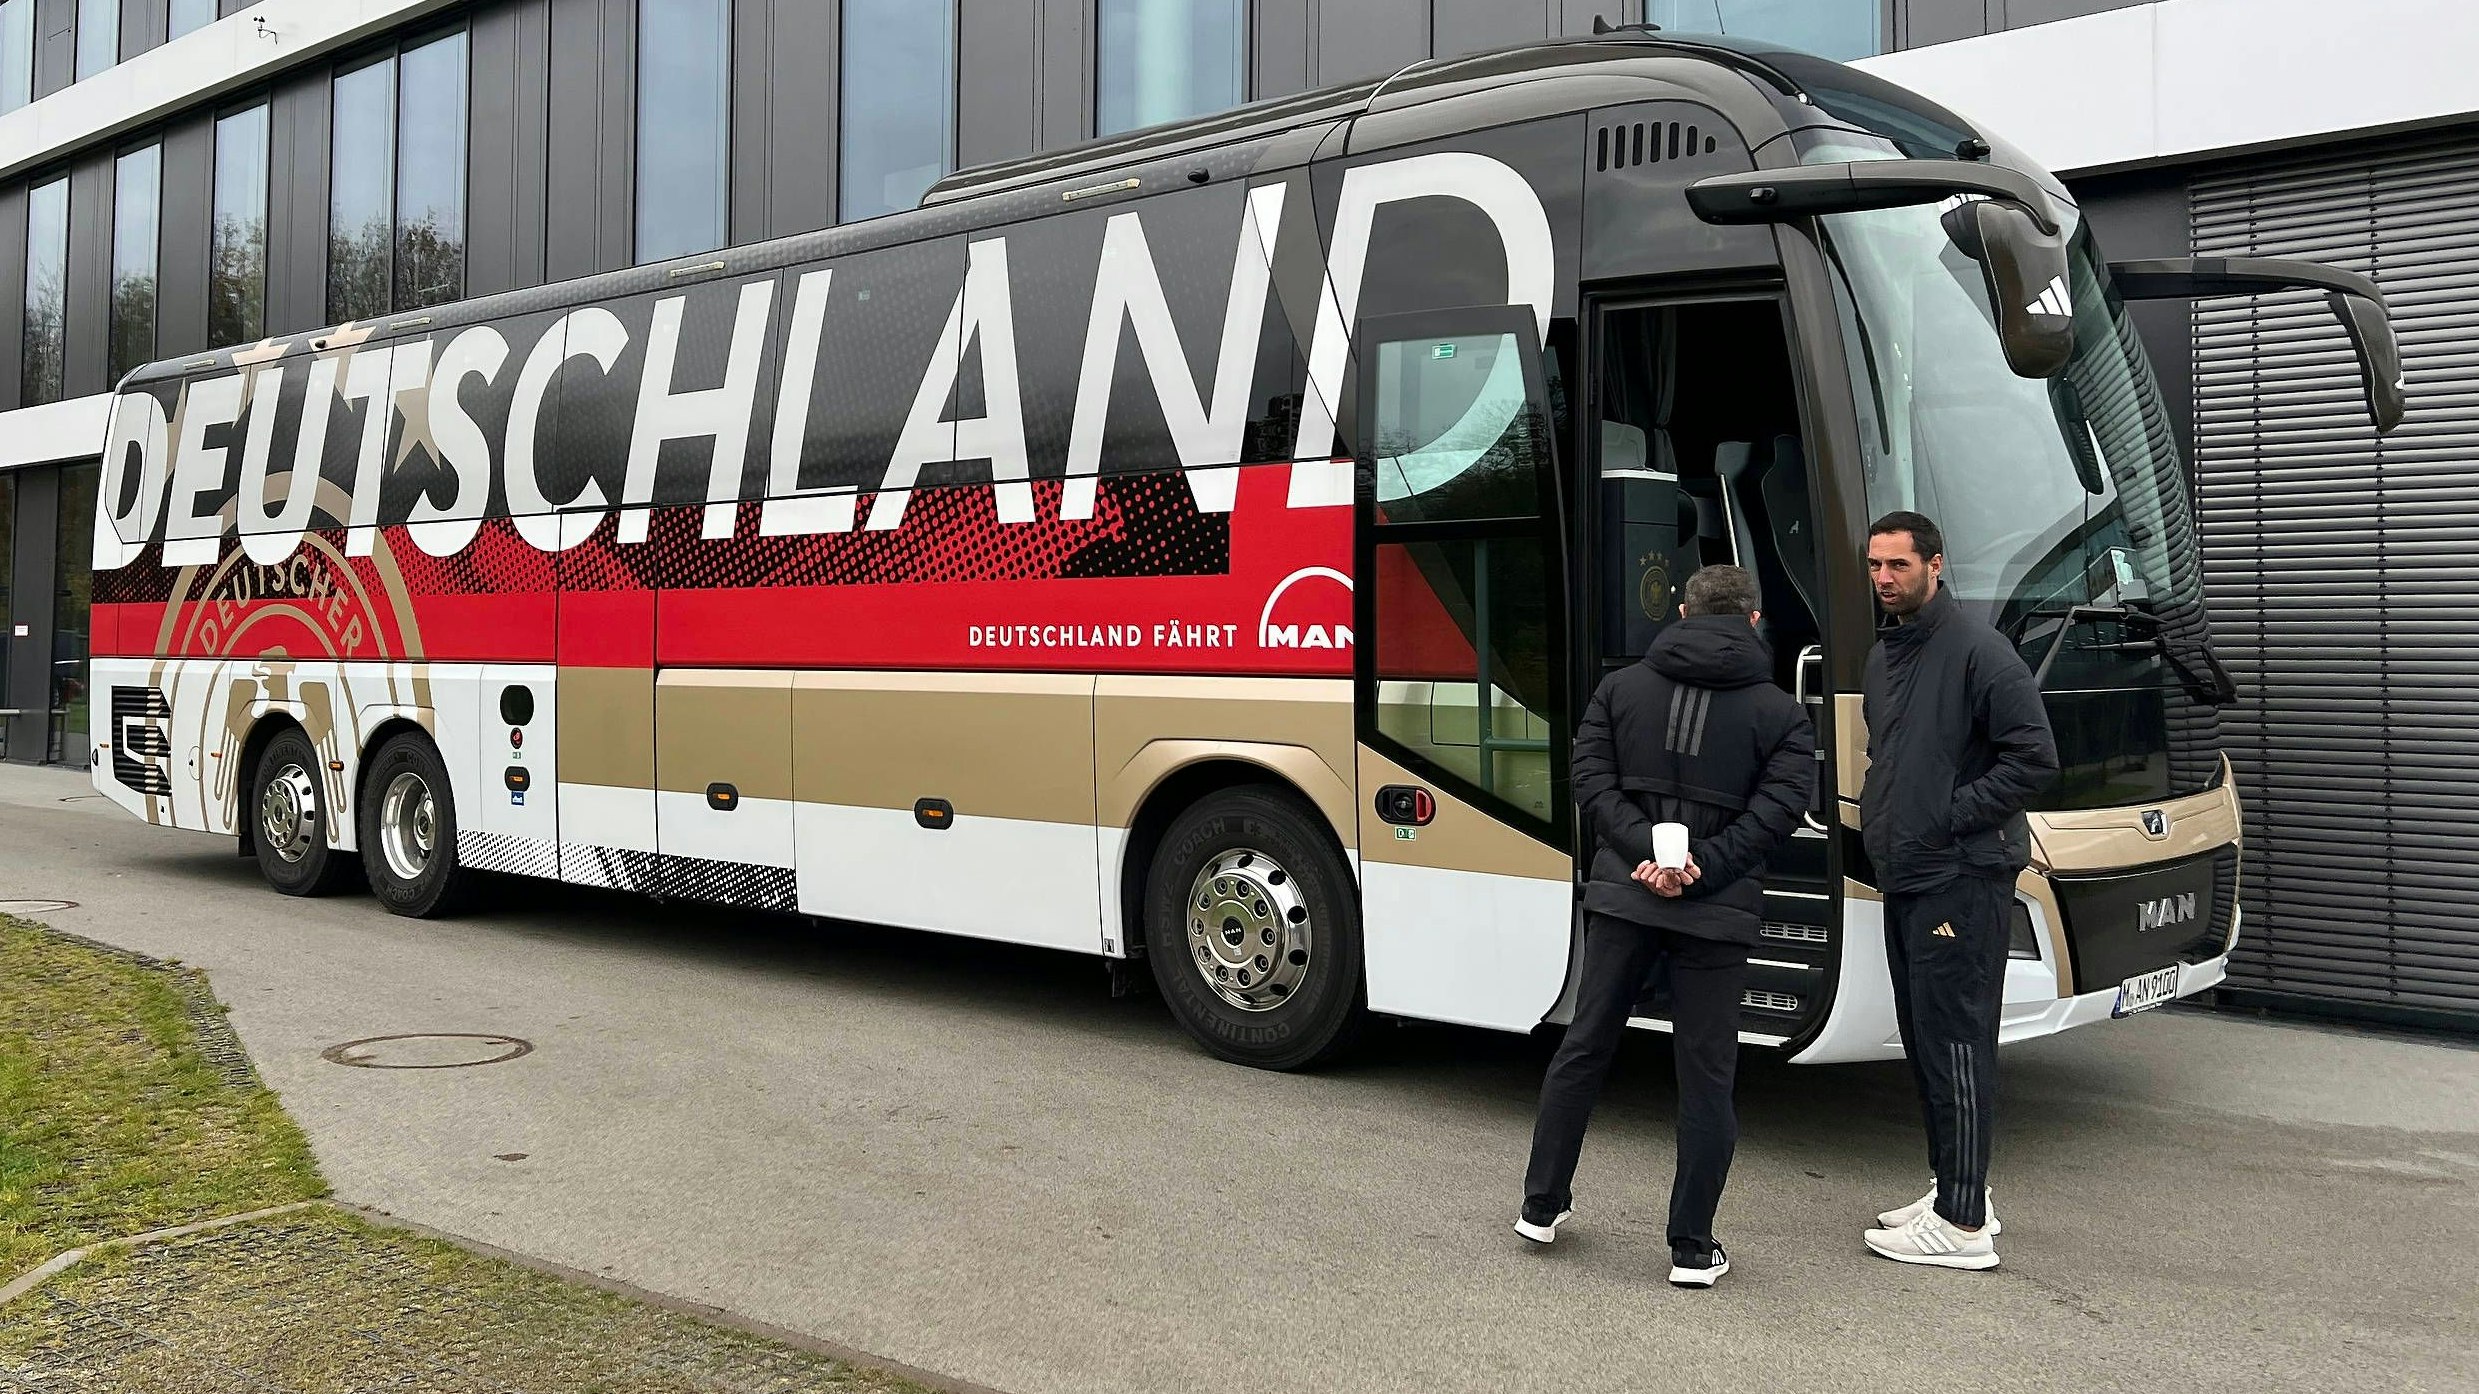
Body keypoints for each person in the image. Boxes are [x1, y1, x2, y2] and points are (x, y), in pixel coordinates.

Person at [1518, 564, 1816, 1289]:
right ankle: (1690, 1246)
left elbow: (1589, 783)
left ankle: (1540, 1204)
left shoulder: (1619, 689)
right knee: (1705, 1078)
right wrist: (1699, 868)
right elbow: (1775, 814)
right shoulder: (1782, 714)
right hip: (1715, 917)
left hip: (1625, 898)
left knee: (1584, 1048)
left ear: (1681, 612)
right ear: (1752, 620)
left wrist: (1645, 857)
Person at [1857, 511, 2059, 1271]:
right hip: (1908, 871)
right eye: (1874, 566)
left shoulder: (1979, 650)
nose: (1883, 579)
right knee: (1924, 1038)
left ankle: (1964, 1225)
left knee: (1957, 1041)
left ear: (1934, 566)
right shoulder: (1888, 654)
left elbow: (2032, 760)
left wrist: (1946, 819)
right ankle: (1952, 1185)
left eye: (1897, 566)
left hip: (1960, 876)